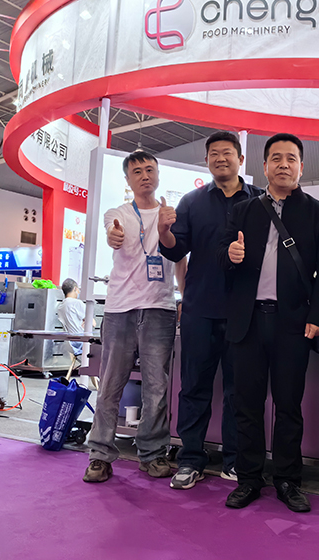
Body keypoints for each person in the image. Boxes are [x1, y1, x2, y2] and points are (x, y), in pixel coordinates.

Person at [217, 133, 319, 512]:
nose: (284, 164)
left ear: (301, 166)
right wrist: (230, 255)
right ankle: (249, 479)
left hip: (293, 324)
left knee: (288, 406)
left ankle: (287, 480)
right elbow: (221, 259)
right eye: (276, 158)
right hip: (248, 322)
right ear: (265, 166)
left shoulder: (318, 212)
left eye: (291, 158)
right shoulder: (243, 210)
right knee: (246, 405)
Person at [158, 132, 263, 490]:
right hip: (200, 309)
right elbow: (175, 251)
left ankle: (235, 460)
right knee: (194, 387)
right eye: (214, 154)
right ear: (206, 161)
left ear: (240, 159)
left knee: (240, 391)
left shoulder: (260, 200)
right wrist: (164, 231)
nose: (221, 158)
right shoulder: (192, 202)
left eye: (227, 153)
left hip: (245, 312)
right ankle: (190, 459)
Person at [83, 150, 186, 484]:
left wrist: (184, 297)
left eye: (150, 169)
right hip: (120, 310)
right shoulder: (118, 214)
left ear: (158, 175)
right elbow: (112, 235)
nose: (144, 175)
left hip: (159, 309)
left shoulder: (171, 214)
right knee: (110, 386)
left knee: (157, 387)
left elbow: (180, 257)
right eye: (137, 171)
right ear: (128, 179)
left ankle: (153, 454)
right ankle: (99, 455)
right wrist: (113, 237)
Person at [57, 278, 84, 358]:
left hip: (70, 343)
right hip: (81, 342)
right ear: (75, 289)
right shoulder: (77, 303)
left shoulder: (61, 306)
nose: (79, 292)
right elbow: (92, 323)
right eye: (78, 289)